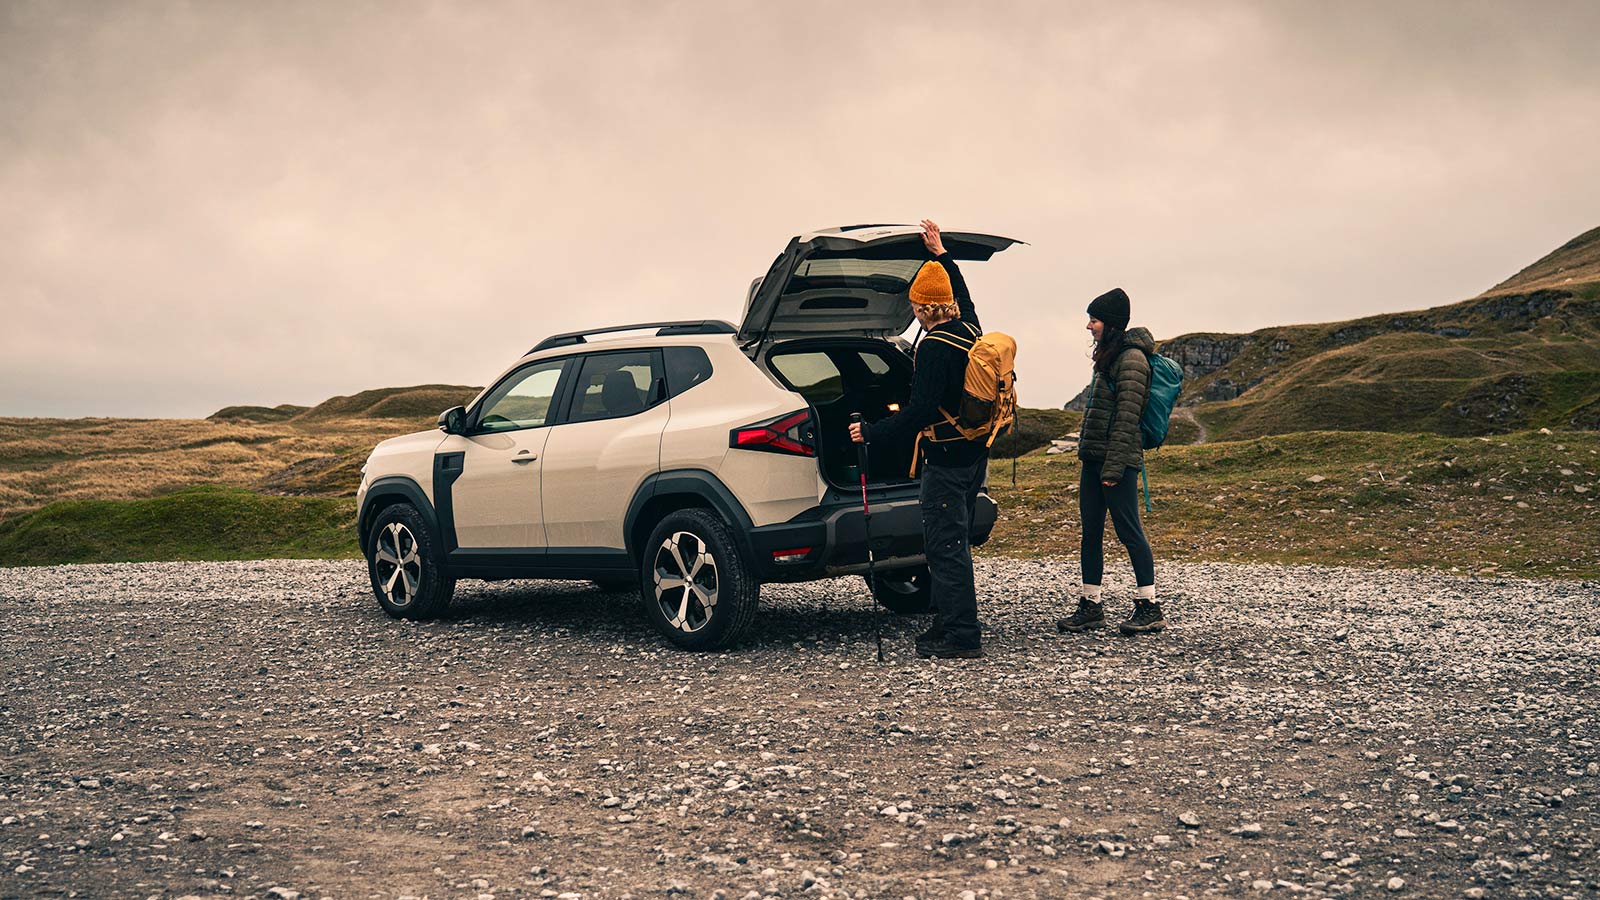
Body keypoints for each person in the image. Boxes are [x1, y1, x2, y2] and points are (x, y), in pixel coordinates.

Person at [849, 219, 988, 659]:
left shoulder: (932, 347)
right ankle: (947, 621)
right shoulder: (970, 329)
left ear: (924, 308)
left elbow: (921, 411)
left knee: (945, 548)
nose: (912, 311)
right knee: (954, 543)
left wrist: (871, 434)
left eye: (914, 305)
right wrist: (941, 255)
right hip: (974, 456)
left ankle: (962, 636)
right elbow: (964, 296)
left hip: (945, 462)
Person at [1057, 288, 1167, 636]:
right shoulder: (1109, 355)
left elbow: (1126, 418)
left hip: (1116, 461)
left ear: (1111, 323)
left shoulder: (1132, 359)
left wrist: (1114, 468)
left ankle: (1149, 607)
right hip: (1094, 459)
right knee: (1090, 531)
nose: (1089, 326)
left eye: (1094, 320)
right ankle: (1091, 605)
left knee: (1129, 531)